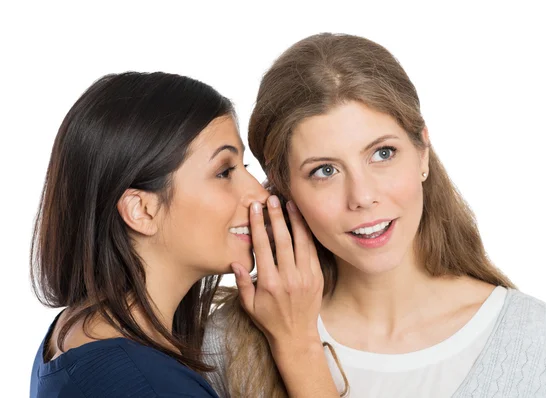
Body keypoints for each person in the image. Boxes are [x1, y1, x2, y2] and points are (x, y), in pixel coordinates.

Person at [203, 33, 546, 397]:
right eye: (324, 170)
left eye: (383, 153)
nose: (362, 196)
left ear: (422, 151)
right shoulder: (226, 347)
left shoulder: (542, 349)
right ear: (282, 186)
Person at [30, 71, 337, 397]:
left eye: (244, 167)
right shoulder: (146, 385)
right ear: (142, 211)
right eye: (224, 172)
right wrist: (299, 342)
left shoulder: (74, 334)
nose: (260, 196)